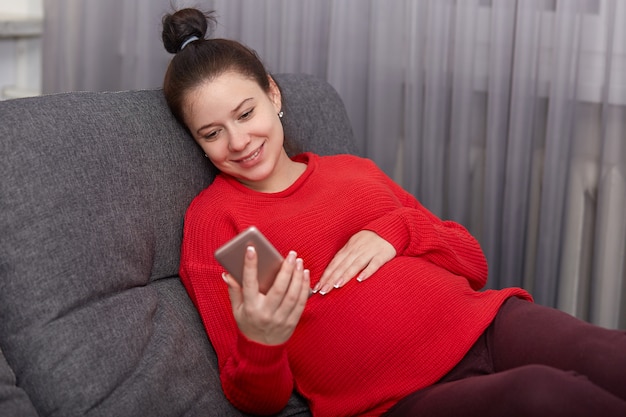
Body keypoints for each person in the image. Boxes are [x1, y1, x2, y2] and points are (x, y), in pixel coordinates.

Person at [161, 8, 626, 417]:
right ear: (196, 141)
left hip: (485, 325)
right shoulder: (215, 225)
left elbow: (473, 262)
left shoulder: (353, 172)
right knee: (542, 396)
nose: (238, 142)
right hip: (394, 400)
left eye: (245, 114)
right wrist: (262, 339)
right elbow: (257, 399)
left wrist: (397, 230)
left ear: (274, 96)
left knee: (609, 356)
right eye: (212, 133)